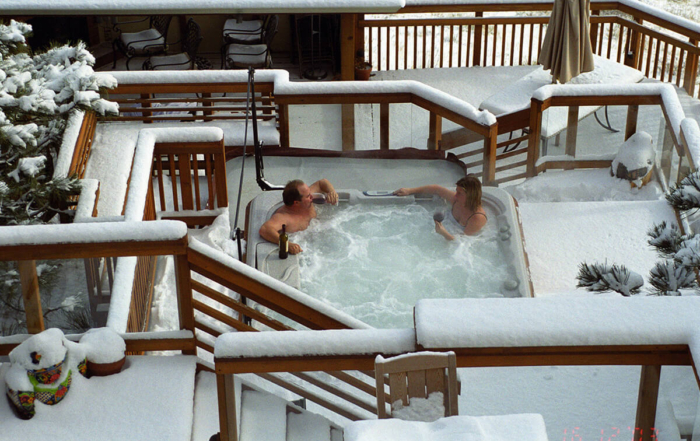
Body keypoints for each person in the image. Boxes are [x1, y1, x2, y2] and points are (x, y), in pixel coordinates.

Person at [259, 179, 338, 254]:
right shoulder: (284, 217)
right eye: (308, 196)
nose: (312, 196)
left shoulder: (306, 199)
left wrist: (332, 192)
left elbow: (322, 183)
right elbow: (265, 229)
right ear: (296, 202)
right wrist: (288, 244)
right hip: (308, 248)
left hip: (326, 236)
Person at [394, 176, 487, 240]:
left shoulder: (477, 217)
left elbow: (463, 243)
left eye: (460, 193)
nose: (456, 195)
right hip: (441, 229)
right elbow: (436, 189)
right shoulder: (457, 200)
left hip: (450, 242)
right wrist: (410, 190)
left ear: (470, 195)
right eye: (456, 191)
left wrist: (444, 234)